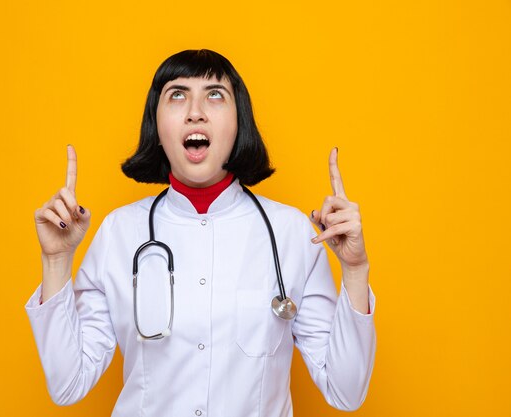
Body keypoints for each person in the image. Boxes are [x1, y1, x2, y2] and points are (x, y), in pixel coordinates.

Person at [25, 49, 376, 417]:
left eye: (214, 95)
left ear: (239, 123)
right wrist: (56, 260)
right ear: (156, 128)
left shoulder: (290, 234)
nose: (195, 111)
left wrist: (354, 269)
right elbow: (68, 384)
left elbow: (346, 391)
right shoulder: (119, 232)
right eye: (177, 95)